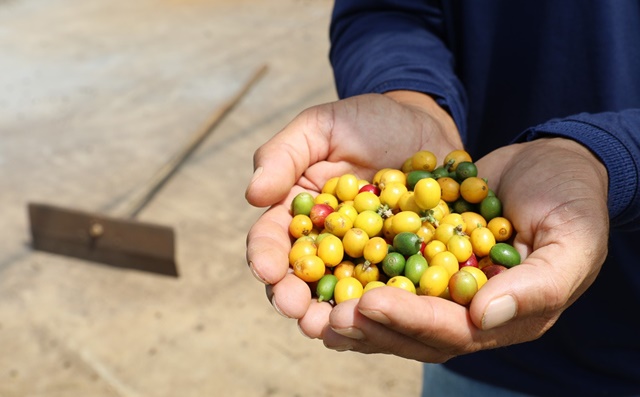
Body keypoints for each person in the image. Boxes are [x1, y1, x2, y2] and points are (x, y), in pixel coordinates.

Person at [245, 1, 640, 395]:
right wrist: (407, 96)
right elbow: (386, 11)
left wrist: (612, 156)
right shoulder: (431, 212)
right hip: (480, 347)